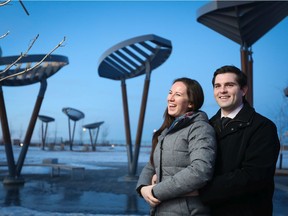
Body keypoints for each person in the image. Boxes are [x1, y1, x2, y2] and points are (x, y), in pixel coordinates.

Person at [199, 65, 280, 216]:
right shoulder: (206, 126)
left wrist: (199, 190)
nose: (222, 90)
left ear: (244, 90)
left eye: (229, 85)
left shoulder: (263, 127)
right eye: (217, 86)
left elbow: (253, 176)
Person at [136, 77, 217, 215]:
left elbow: (201, 170)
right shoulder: (166, 132)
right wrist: (143, 187)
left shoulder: (200, 128)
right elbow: (151, 165)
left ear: (191, 103)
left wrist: (156, 191)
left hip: (186, 211)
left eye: (177, 95)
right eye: (170, 93)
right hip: (162, 209)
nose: (170, 98)